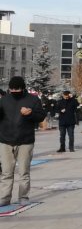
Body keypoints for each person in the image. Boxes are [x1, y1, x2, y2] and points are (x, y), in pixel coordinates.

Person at [0, 76, 47, 206]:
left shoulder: (32, 100)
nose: (15, 91)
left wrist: (30, 113)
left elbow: (41, 116)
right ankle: (4, 198)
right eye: (12, 89)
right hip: (5, 140)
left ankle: (23, 196)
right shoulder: (4, 100)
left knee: (24, 171)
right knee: (6, 172)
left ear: (23, 88)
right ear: (9, 89)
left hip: (25, 141)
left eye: (17, 88)